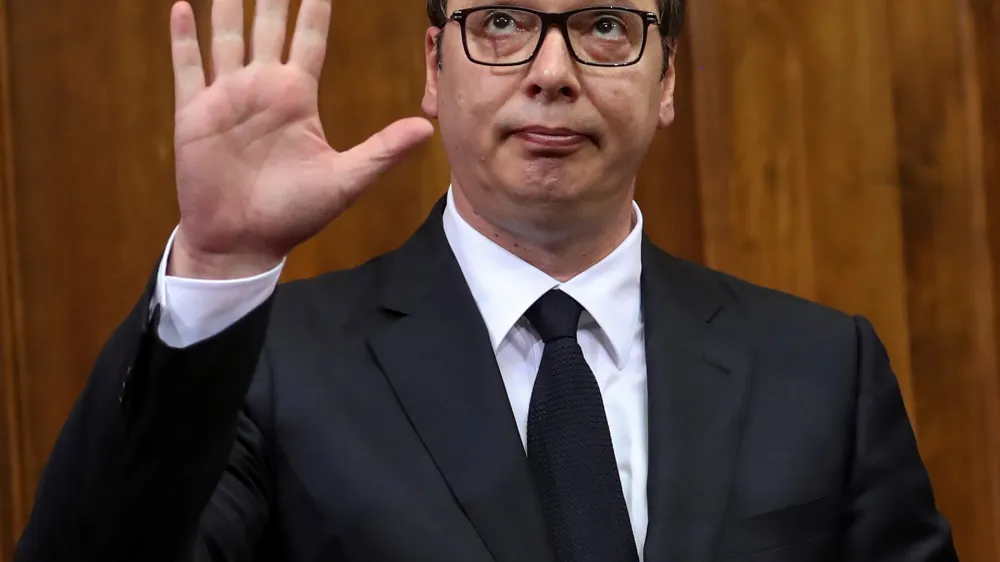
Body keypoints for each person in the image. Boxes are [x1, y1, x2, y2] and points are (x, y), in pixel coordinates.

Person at [15, 0, 959, 560]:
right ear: (434, 66)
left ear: (670, 80)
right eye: (501, 22)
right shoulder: (272, 367)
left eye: (604, 26)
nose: (552, 72)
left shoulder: (825, 368)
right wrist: (220, 266)